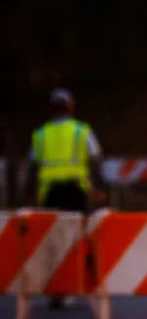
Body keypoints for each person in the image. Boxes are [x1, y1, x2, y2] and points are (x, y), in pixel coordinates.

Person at [26, 89, 106, 308]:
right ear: (71, 107)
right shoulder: (81, 131)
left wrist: (29, 194)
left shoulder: (41, 135)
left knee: (53, 241)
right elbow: (95, 161)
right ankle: (89, 284)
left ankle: (57, 289)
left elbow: (33, 168)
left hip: (51, 194)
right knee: (82, 236)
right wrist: (100, 187)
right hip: (76, 191)